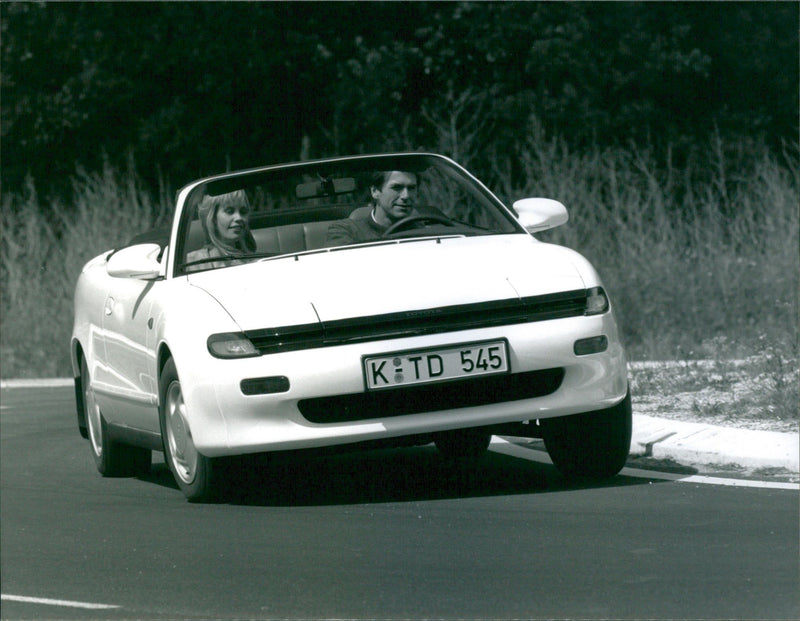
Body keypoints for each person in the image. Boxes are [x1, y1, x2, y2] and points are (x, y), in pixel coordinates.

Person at [326, 170, 419, 246]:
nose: (406, 196)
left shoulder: (422, 231)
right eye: (397, 188)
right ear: (375, 192)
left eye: (411, 188)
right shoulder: (347, 231)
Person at [185, 189, 257, 270]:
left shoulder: (256, 262)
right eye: (230, 211)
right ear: (213, 218)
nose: (239, 218)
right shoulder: (191, 264)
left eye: (243, 212)